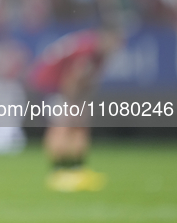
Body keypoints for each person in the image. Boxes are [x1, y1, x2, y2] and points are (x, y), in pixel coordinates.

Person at [28, 28, 122, 192]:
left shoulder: (97, 53)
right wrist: (73, 104)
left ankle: (76, 169)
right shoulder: (88, 50)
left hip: (60, 85)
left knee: (79, 123)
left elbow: (86, 83)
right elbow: (72, 78)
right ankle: (57, 170)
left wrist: (81, 104)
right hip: (49, 84)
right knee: (62, 124)